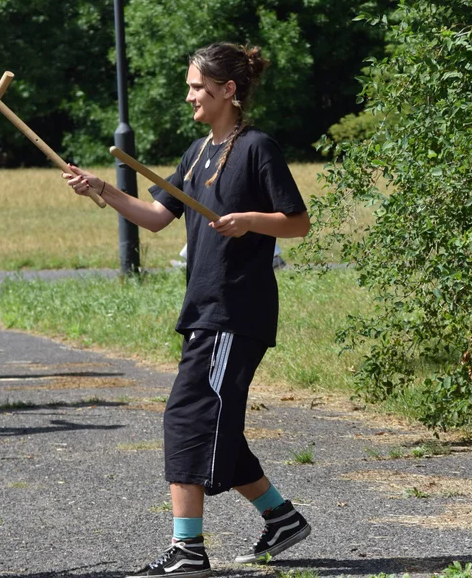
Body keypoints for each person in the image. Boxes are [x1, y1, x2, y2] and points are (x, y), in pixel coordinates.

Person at [64, 43, 312, 577]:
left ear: (229, 90)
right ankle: (281, 516)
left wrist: (249, 219)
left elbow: (297, 222)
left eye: (199, 86)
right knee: (213, 425)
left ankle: (187, 550)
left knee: (187, 421)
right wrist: (102, 190)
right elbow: (156, 216)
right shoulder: (198, 151)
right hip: (203, 311)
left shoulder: (256, 148)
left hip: (234, 313)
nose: (190, 94)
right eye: (190, 85)